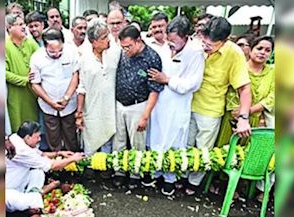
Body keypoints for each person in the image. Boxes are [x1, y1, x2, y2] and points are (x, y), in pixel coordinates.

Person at [187, 16, 252, 195]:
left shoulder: (234, 53)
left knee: (202, 150)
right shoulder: (194, 44)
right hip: (186, 105)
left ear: (225, 41)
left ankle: (193, 183)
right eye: (205, 41)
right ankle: (180, 177)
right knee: (185, 145)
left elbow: (245, 89)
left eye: (212, 45)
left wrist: (244, 118)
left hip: (210, 109)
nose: (206, 47)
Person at [147, 16, 205, 196]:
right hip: (160, 102)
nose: (170, 45)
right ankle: (156, 172)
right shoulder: (164, 47)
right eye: (168, 40)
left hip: (178, 104)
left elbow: (192, 84)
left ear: (186, 37)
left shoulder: (196, 52)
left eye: (174, 42)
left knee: (174, 141)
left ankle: (170, 179)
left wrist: (168, 79)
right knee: (156, 137)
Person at [113, 25, 164, 188]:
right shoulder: (122, 52)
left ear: (138, 41)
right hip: (119, 103)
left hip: (139, 105)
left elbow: (155, 90)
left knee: (137, 143)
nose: (125, 50)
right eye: (123, 47)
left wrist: (145, 116)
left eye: (128, 46)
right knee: (119, 141)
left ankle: (136, 173)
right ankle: (119, 171)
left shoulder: (152, 58)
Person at [5, 121, 85, 212]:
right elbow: (52, 166)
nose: (39, 139)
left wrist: (59, 153)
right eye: (37, 137)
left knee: (38, 170)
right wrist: (73, 159)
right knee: (19, 201)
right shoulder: (21, 150)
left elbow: (41, 154)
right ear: (28, 137)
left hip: (19, 180)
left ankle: (35, 195)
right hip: (6, 190)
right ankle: (43, 192)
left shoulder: (16, 137)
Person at [216, 36, 275, 147]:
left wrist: (250, 111)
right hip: (233, 119)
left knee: (248, 155)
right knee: (225, 151)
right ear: (251, 49)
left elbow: (272, 97)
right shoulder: (239, 68)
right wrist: (239, 116)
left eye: (268, 50)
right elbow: (231, 92)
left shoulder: (272, 72)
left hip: (255, 120)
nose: (263, 53)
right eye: (259, 48)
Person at [30, 28, 80, 152]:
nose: (57, 54)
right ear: (45, 46)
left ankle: (73, 164)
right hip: (48, 105)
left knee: (71, 135)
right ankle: (56, 163)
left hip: (69, 103)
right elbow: (35, 84)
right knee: (53, 136)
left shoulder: (71, 52)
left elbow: (76, 75)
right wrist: (51, 102)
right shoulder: (37, 57)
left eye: (60, 51)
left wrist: (66, 97)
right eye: (52, 52)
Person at [75, 19, 121, 155]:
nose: (109, 40)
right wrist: (79, 113)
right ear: (93, 42)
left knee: (108, 140)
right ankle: (90, 172)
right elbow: (81, 86)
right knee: (91, 141)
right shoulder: (84, 59)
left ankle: (105, 171)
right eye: (104, 37)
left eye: (108, 35)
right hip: (92, 107)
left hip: (110, 107)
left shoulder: (115, 53)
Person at [5, 14, 39, 133]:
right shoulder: (4, 45)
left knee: (33, 126)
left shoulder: (30, 43)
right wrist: (24, 79)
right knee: (18, 126)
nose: (24, 27)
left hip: (32, 93)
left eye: (23, 24)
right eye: (19, 25)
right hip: (15, 94)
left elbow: (42, 59)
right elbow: (4, 73)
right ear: (9, 28)